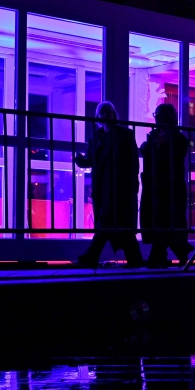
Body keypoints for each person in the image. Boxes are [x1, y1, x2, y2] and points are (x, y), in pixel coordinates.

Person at [74, 102, 144, 268]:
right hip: (106, 187)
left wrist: (132, 185)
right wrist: (81, 160)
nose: (105, 116)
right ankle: (134, 260)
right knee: (120, 226)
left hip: (117, 186)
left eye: (108, 112)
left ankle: (90, 257)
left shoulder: (117, 136)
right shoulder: (101, 137)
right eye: (103, 113)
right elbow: (91, 160)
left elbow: (132, 162)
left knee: (107, 223)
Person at [139, 103, 192, 268]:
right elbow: (146, 151)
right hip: (156, 186)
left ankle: (160, 255)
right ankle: (170, 254)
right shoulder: (155, 136)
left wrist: (161, 144)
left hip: (171, 187)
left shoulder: (178, 138)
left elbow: (176, 155)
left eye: (162, 116)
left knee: (168, 221)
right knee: (161, 221)